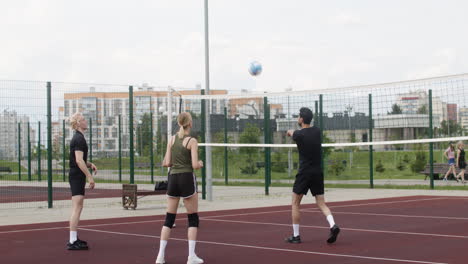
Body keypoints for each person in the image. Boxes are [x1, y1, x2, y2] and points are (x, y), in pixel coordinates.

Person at [285, 107, 340, 244]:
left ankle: (296, 236)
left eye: (298, 116)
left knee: (295, 203)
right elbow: (299, 133)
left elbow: (292, 133)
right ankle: (333, 225)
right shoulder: (317, 131)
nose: (298, 118)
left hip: (304, 172)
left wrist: (290, 132)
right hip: (317, 172)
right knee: (321, 203)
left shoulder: (299, 134)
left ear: (302, 119)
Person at [155, 112, 204, 264]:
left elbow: (166, 162)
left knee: (169, 219)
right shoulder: (192, 141)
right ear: (190, 124)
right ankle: (191, 256)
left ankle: (160, 256)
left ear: (178, 123)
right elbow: (195, 165)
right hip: (186, 178)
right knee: (193, 218)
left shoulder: (171, 140)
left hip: (173, 178)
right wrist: (200, 163)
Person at [67, 112, 97, 250]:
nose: (86, 121)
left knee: (78, 207)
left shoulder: (78, 138)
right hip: (77, 175)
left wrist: (90, 164)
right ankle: (72, 241)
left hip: (76, 174)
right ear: (78, 123)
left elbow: (80, 159)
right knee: (77, 207)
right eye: (83, 119)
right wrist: (89, 177)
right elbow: (78, 161)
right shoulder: (79, 139)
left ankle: (74, 238)